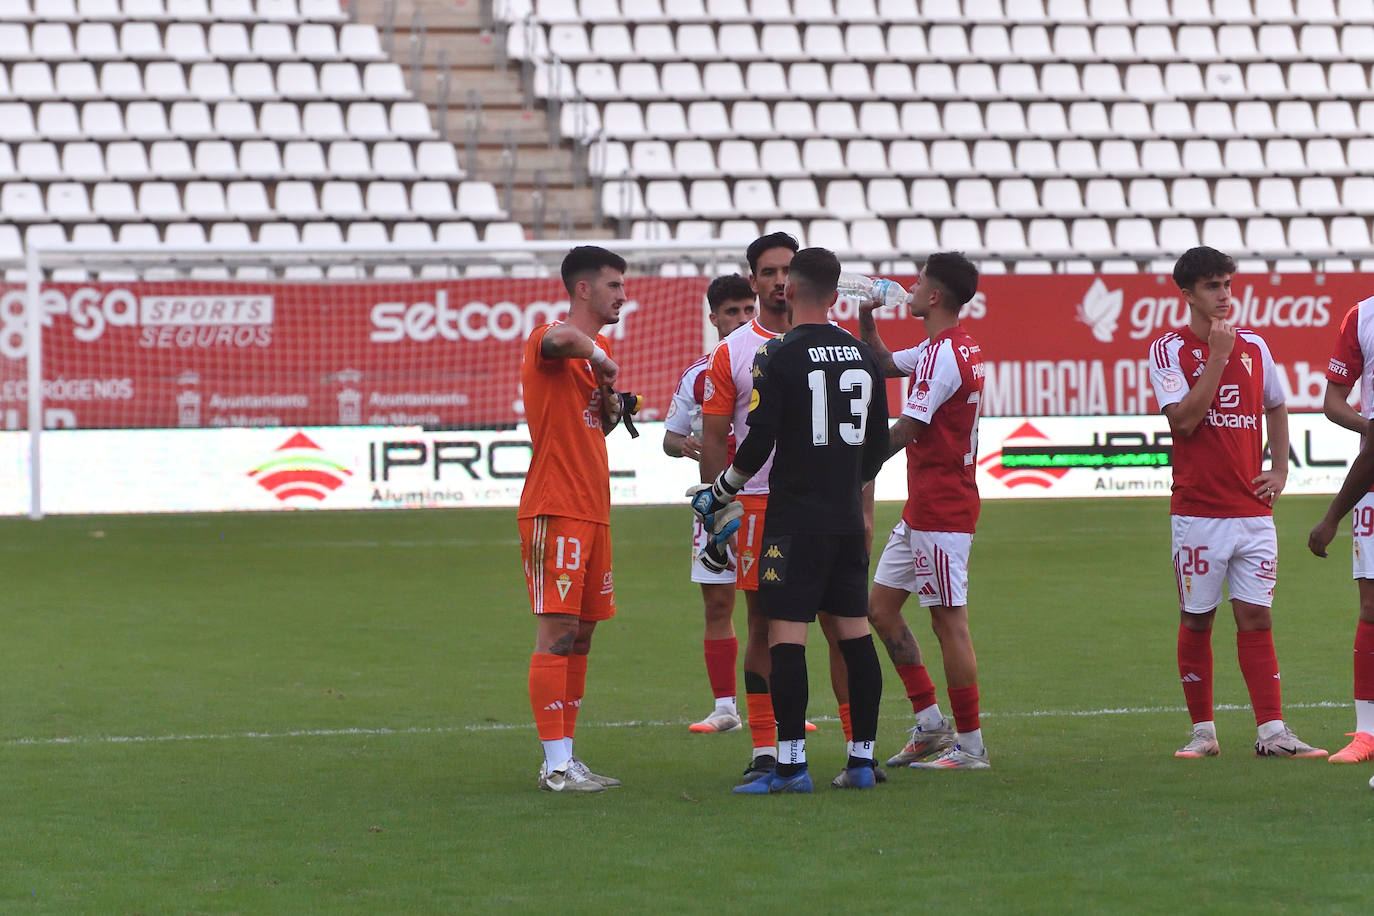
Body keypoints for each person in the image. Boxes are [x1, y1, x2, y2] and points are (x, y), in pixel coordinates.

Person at [691, 247, 890, 793]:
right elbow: (878, 444)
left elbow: (759, 441)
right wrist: (847, 486)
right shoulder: (861, 355)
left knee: (785, 638)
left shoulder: (778, 357)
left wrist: (722, 491)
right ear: (835, 295)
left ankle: (790, 766)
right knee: (853, 634)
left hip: (793, 518)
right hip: (847, 519)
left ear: (793, 292)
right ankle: (861, 761)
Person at [1147, 246, 1325, 760]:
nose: (1224, 295)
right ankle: (1203, 733)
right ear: (1187, 295)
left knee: (1256, 618)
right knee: (1198, 618)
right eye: (1212, 286)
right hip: (1199, 513)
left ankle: (1273, 732)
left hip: (1252, 513)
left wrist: (1281, 467)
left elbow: (1275, 403)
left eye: (1227, 284)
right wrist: (1219, 358)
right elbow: (1182, 420)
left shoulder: (1257, 346)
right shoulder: (1168, 349)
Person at [857, 251, 991, 770]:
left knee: (948, 623)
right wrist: (868, 320)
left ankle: (972, 745)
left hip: (943, 509)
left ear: (934, 296)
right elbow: (885, 364)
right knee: (880, 610)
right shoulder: (951, 347)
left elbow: (909, 427)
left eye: (917, 283)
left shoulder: (943, 357)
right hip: (924, 508)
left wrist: (856, 464)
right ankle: (932, 724)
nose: (908, 289)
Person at [517, 245, 630, 793]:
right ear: (583, 289)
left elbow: (588, 428)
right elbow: (560, 340)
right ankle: (554, 764)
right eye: (612, 285)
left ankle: (567, 756)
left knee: (582, 636)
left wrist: (610, 410)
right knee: (556, 633)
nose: (622, 294)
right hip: (554, 506)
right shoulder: (551, 337)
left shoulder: (598, 350)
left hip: (594, 510)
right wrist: (601, 361)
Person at [662, 274, 756, 733]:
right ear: (713, 318)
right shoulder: (698, 374)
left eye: (747, 310)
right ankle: (725, 708)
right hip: (716, 504)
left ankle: (775, 706)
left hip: (766, 500)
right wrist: (686, 446)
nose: (741, 320)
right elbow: (669, 437)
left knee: (769, 607)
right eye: (731, 312)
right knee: (718, 605)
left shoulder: (777, 361)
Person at [1305, 294, 1374, 764]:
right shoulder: (1361, 316)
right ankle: (1367, 734)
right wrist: (1367, 426)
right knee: (1371, 606)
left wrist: (1330, 519)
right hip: (1372, 479)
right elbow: (1333, 401)